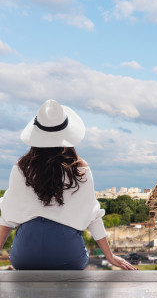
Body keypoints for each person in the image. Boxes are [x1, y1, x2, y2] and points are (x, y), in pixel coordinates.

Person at [0, 99, 136, 270]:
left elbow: (7, 215)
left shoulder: (21, 167)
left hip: (25, 254)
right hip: (66, 253)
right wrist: (109, 255)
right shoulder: (80, 168)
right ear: (68, 133)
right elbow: (93, 215)